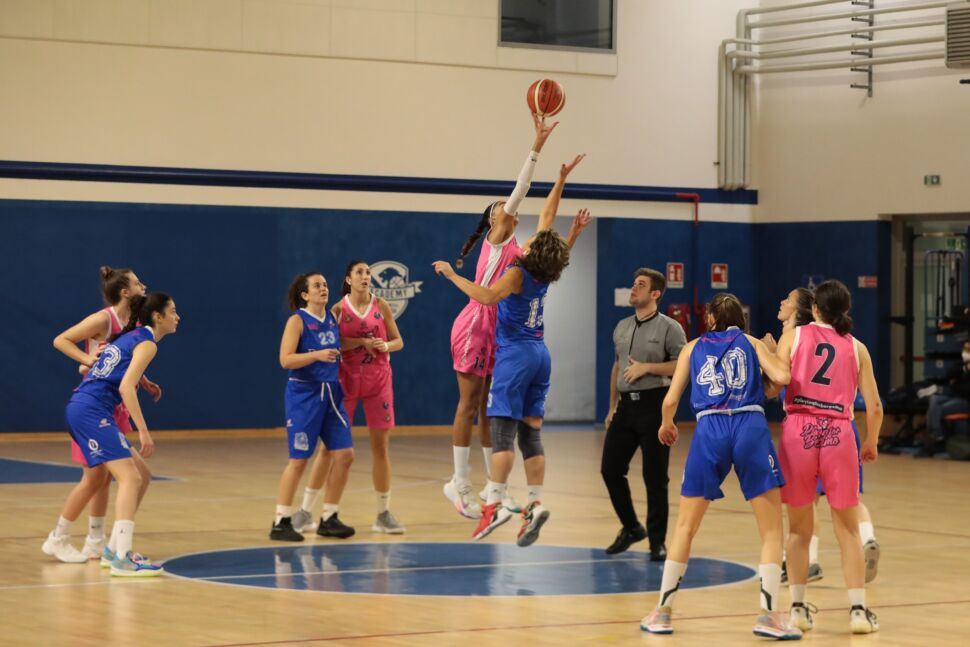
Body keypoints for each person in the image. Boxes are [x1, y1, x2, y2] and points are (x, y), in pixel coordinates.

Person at [640, 293, 801, 640]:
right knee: (771, 530)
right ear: (740, 319)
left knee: (685, 527)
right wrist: (770, 353)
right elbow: (782, 377)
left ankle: (662, 612)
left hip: (709, 428)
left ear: (710, 319)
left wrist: (667, 424)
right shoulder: (752, 342)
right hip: (750, 427)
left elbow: (670, 399)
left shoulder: (692, 347)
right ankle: (768, 615)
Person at [442, 111, 577, 520]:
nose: (510, 208)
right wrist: (536, 147)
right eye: (502, 207)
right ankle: (458, 482)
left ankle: (492, 491)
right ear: (493, 221)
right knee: (469, 404)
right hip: (475, 322)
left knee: (490, 408)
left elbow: (549, 219)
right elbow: (519, 191)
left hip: (500, 330)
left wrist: (561, 180)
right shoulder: (498, 240)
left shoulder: (522, 252)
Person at [434, 209, 590, 547]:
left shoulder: (519, 273)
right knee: (531, 434)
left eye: (533, 240)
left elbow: (487, 297)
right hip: (541, 356)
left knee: (502, 433)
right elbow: (558, 253)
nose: (529, 238)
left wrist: (450, 275)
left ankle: (494, 502)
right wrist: (574, 234)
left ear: (533, 251)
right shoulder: (547, 271)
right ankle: (534, 501)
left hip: (515, 356)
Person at [773, 280, 881, 634]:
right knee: (848, 529)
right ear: (844, 310)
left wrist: (766, 352)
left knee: (800, 529)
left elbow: (775, 381)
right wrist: (871, 442)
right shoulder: (857, 347)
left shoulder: (796, 336)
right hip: (839, 431)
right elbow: (876, 407)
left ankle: (799, 607)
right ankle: (858, 611)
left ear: (814, 308)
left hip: (799, 430)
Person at [43, 267, 161, 564]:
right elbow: (61, 340)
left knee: (113, 477)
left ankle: (100, 542)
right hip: (92, 403)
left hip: (114, 403)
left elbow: (125, 361)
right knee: (96, 477)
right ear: (125, 291)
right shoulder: (103, 319)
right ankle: (61, 538)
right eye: (137, 282)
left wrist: (143, 381)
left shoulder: (134, 323)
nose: (143, 285)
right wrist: (87, 360)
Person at [62, 292, 179, 576]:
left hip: (86, 407)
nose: (178, 316)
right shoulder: (147, 343)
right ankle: (123, 558)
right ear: (158, 316)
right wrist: (144, 431)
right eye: (173, 311)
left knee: (142, 476)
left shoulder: (133, 336)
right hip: (91, 411)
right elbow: (126, 387)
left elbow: (117, 370)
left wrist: (145, 381)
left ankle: (113, 549)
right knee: (130, 477)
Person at [290, 260, 406, 535]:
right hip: (346, 381)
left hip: (379, 380)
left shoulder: (382, 306)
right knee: (329, 449)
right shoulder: (338, 310)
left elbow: (399, 340)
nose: (366, 276)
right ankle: (306, 511)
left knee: (381, 447)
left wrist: (385, 345)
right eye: (360, 273)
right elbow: (332, 342)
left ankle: (383, 513)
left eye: (368, 273)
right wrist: (361, 342)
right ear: (348, 279)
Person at [601, 267, 686, 559]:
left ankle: (657, 542)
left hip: (655, 406)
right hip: (626, 407)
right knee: (610, 470)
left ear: (655, 294)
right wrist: (612, 407)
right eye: (633, 283)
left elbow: (681, 366)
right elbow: (617, 367)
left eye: (640, 285)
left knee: (655, 477)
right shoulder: (622, 327)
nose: (633, 289)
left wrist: (647, 368)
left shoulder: (670, 328)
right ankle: (632, 527)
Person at [271, 272, 355, 542]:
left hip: (332, 393)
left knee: (344, 455)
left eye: (325, 285)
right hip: (304, 396)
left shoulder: (331, 317)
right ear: (305, 294)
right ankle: (281, 520)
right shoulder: (297, 321)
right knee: (299, 460)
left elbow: (340, 344)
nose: (324, 288)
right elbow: (285, 360)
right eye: (317, 286)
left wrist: (364, 343)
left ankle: (329, 517)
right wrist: (317, 355)